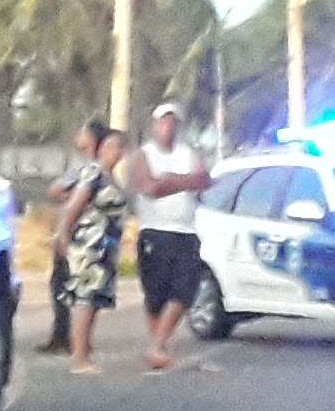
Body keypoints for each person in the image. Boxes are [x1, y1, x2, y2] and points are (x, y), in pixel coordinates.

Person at [122, 102, 212, 374]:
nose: (168, 127)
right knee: (156, 294)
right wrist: (182, 181)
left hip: (185, 231)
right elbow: (149, 188)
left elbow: (204, 180)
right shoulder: (142, 155)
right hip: (154, 231)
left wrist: (169, 180)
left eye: (173, 122)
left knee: (185, 289)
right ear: (155, 124)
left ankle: (157, 345)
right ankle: (157, 347)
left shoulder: (188, 153)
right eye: (164, 121)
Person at [49, 117, 128, 370]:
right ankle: (79, 358)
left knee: (94, 300)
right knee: (85, 300)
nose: (118, 152)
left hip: (105, 247)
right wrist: (63, 235)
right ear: (101, 146)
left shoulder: (109, 176)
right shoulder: (92, 172)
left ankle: (85, 351)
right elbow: (74, 206)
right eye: (113, 146)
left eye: (121, 148)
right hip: (89, 246)